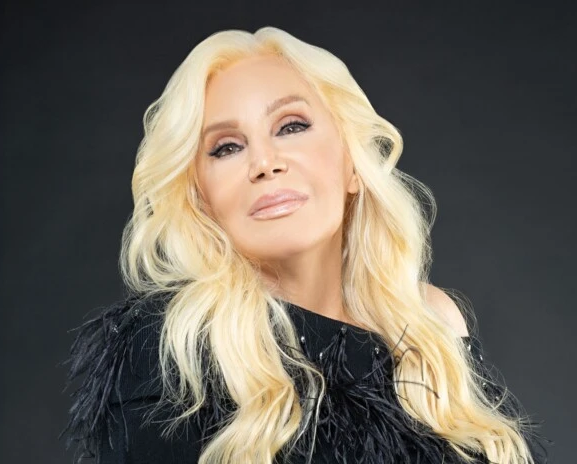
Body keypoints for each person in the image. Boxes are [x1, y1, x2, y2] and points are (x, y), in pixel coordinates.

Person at [60, 27, 550, 464]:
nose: (265, 162)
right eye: (227, 147)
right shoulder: (173, 349)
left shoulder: (430, 324)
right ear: (201, 199)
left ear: (353, 164)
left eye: (291, 126)